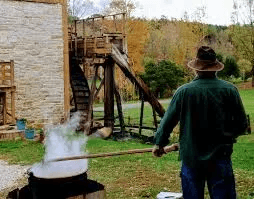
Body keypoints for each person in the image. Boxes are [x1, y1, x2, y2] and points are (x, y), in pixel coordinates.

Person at [152, 46, 248, 199]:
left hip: (191, 158)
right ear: (215, 68)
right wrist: (228, 136)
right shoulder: (230, 90)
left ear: (196, 69)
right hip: (220, 157)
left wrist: (159, 143)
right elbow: (242, 124)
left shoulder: (184, 92)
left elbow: (167, 122)